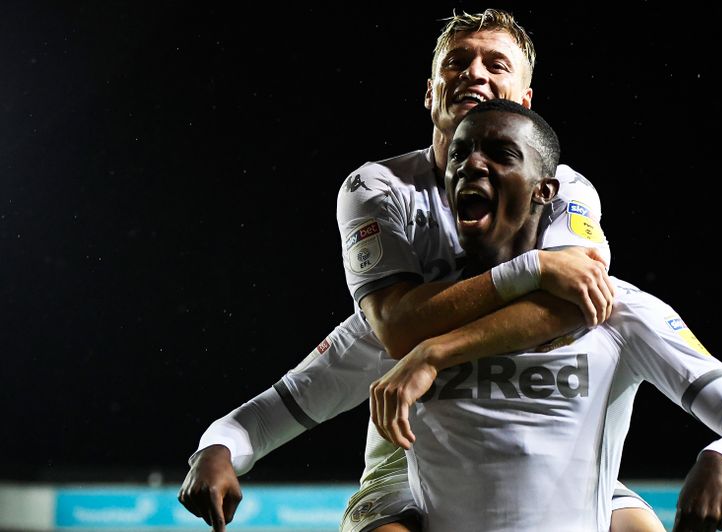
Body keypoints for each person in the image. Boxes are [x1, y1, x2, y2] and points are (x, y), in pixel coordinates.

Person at [179, 9, 663, 532]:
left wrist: (434, 351)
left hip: (550, 450)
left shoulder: (566, 188)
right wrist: (219, 445)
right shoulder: (379, 188)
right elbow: (394, 327)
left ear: (524, 102)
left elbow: (581, 300)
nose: (474, 73)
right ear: (430, 94)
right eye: (457, 62)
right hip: (412, 457)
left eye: (496, 64)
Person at [372, 99, 722, 531]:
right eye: (459, 154)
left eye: (501, 154)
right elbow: (318, 388)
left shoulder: (618, 310)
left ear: (544, 190)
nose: (471, 165)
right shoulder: (412, 322)